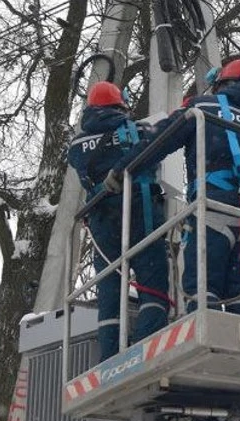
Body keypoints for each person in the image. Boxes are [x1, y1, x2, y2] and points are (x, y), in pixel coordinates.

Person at [109, 57, 240, 319]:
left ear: (222, 84)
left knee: (202, 290)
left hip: (212, 213)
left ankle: (208, 347)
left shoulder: (202, 107)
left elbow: (159, 141)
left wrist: (122, 170)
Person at [67, 81, 169, 362]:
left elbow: (84, 170)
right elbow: (160, 145)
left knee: (110, 294)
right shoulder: (138, 131)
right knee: (154, 286)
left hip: (102, 222)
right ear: (119, 105)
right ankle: (143, 350)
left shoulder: (76, 146)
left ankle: (110, 358)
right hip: (141, 214)